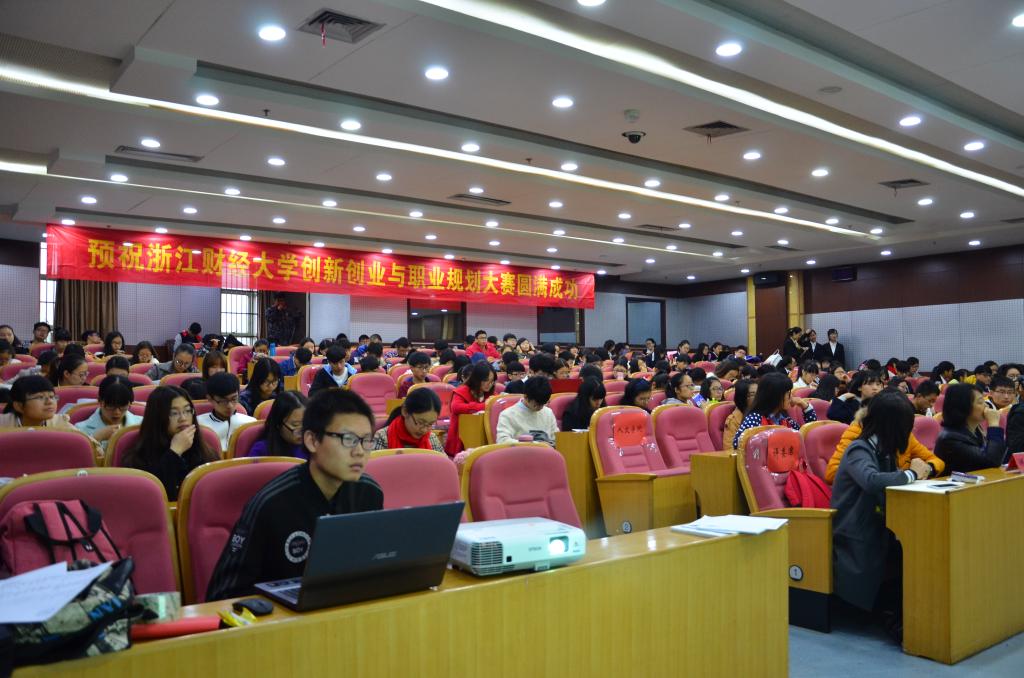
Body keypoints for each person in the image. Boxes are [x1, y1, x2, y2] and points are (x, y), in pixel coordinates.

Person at [206, 389, 384, 600]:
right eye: (348, 439)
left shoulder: (370, 493)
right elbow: (223, 594)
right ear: (312, 440)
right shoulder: (270, 504)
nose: (360, 451)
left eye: (366, 440)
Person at [831, 391, 929, 634]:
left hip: (879, 522)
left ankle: (913, 612)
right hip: (856, 530)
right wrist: (912, 473)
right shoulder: (859, 449)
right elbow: (873, 481)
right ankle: (898, 619)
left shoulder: (884, 449)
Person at [121, 385, 218, 499]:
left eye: (187, 411)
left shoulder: (204, 451)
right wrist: (174, 452)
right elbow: (154, 496)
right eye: (174, 413)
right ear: (157, 417)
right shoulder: (138, 459)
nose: (183, 418)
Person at [933, 384, 1007, 474]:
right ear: (963, 406)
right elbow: (992, 461)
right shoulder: (950, 439)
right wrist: (994, 424)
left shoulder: (976, 430)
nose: (986, 406)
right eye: (980, 402)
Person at [732, 372, 816, 449]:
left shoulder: (784, 418)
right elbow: (737, 444)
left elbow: (806, 436)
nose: (791, 397)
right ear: (775, 396)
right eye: (787, 393)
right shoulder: (755, 418)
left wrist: (805, 406)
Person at [74, 375, 141, 450]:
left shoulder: (141, 424)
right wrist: (96, 438)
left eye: (123, 406)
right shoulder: (80, 429)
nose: (117, 412)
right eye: (111, 406)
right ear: (100, 401)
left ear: (130, 403)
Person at [445, 361, 495, 456]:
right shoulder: (462, 390)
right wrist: (485, 405)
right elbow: (456, 407)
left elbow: (495, 405)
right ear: (476, 379)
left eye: (492, 381)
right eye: (486, 380)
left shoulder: (489, 392)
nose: (489, 384)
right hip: (461, 438)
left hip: (483, 435)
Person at [373, 386, 445, 453]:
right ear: (405, 411)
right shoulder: (383, 437)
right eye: (420, 422)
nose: (424, 430)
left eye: (430, 424)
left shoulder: (432, 439)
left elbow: (443, 462)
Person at [196, 373, 257, 451]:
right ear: (210, 399)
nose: (229, 406)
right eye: (223, 401)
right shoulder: (199, 425)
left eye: (234, 399)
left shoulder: (250, 424)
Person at [0, 375, 77, 430]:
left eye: (52, 397)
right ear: (19, 406)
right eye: (40, 397)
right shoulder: (2, 424)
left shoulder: (60, 424)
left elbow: (81, 443)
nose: (49, 402)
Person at [496, 376, 557, 444]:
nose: (541, 408)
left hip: (547, 450)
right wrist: (536, 445)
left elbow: (556, 439)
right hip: (521, 450)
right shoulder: (508, 415)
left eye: (543, 404)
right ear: (526, 397)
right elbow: (502, 441)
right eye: (537, 404)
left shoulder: (548, 412)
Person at [249, 391, 308, 459]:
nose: (302, 432)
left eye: (306, 423)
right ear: (278, 424)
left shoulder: (312, 445)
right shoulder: (261, 450)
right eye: (295, 425)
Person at [723, 379, 757, 448]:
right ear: (742, 397)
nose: (758, 397)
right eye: (752, 394)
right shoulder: (733, 421)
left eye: (758, 393)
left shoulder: (762, 414)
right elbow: (729, 449)